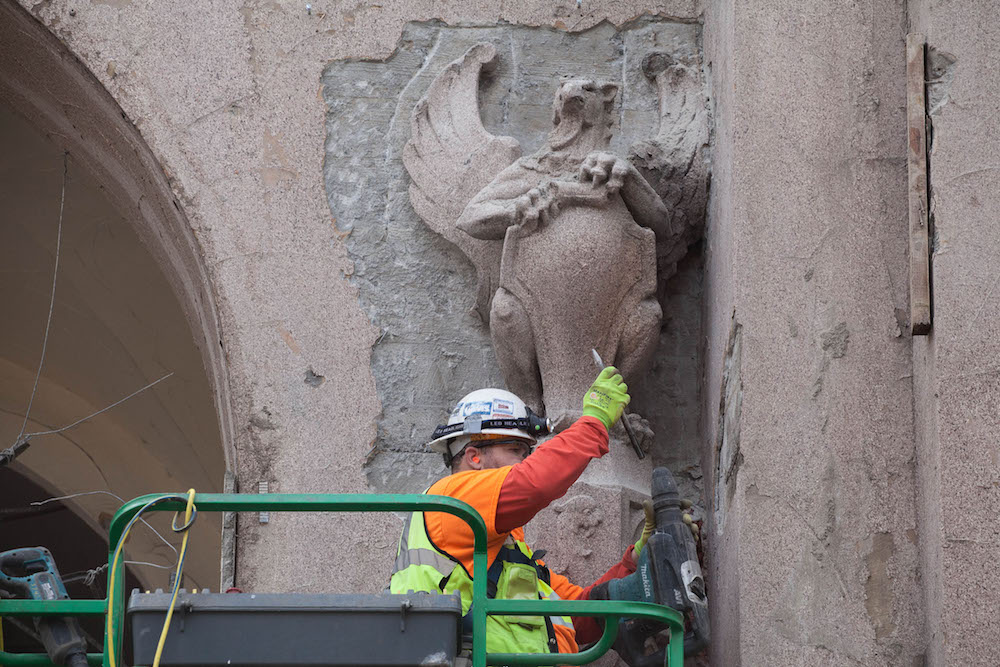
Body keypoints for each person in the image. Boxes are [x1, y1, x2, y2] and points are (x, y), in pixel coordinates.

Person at [389, 367, 655, 658]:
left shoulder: (502, 551)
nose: (525, 461)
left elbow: (578, 613)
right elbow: (534, 482)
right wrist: (594, 423)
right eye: (516, 450)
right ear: (474, 457)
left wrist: (637, 560)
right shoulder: (452, 498)